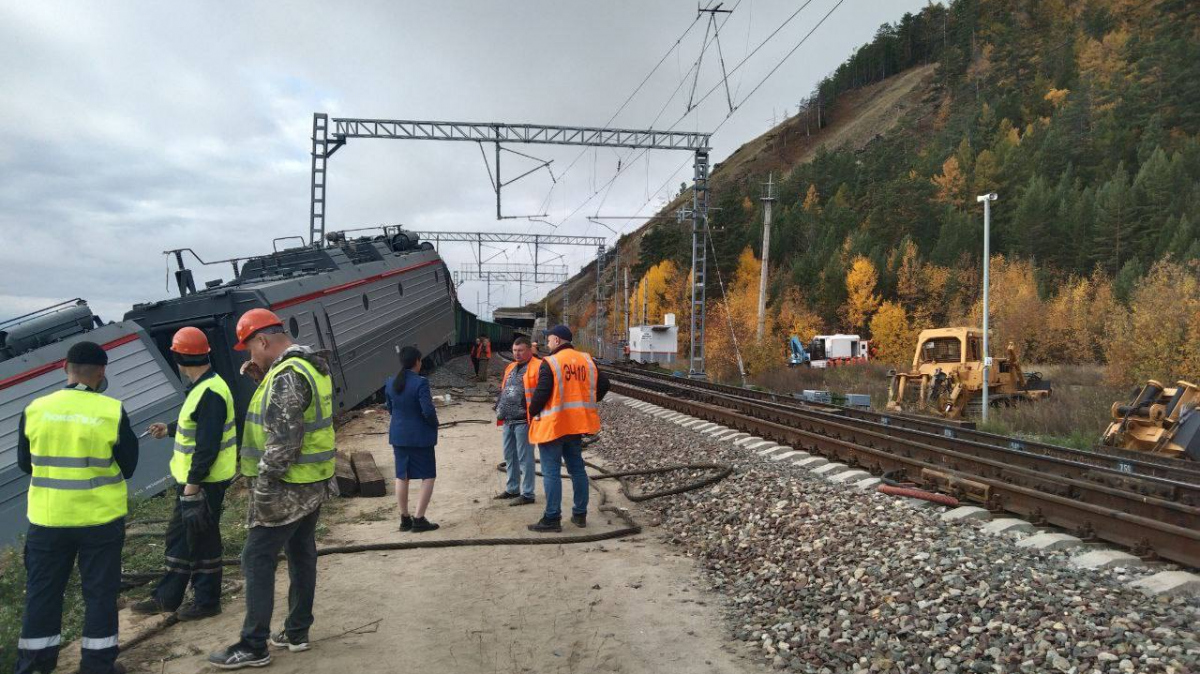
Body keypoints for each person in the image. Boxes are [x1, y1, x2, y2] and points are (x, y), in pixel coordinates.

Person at [208, 309, 337, 670]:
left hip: (286, 483)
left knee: (256, 557)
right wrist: (262, 376)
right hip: (312, 478)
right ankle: (296, 632)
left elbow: (283, 438)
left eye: (250, 349)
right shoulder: (307, 366)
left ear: (263, 341)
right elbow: (299, 413)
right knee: (300, 551)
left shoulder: (288, 375)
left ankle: (253, 644)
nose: (249, 356)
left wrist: (264, 484)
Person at [15, 341, 139, 674]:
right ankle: (98, 667)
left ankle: (34, 667)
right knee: (99, 595)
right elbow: (128, 466)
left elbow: (26, 464)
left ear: (64, 367)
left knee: (42, 596)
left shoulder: (34, 409)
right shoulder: (111, 410)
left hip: (47, 521)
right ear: (102, 372)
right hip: (99, 521)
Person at [132, 327, 237, 622]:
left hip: (203, 482)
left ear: (178, 357)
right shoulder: (205, 387)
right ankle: (168, 597)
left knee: (200, 541)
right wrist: (169, 429)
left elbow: (207, 445)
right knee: (182, 538)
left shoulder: (210, 392)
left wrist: (192, 486)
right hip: (197, 481)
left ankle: (204, 601)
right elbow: (197, 426)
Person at [525, 325, 609, 533]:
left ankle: (552, 517)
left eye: (549, 339)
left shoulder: (551, 362)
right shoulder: (587, 360)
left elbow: (542, 392)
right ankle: (580, 514)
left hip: (554, 425)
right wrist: (589, 399)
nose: (547, 342)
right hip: (576, 425)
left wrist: (532, 411)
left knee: (551, 470)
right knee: (577, 469)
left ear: (557, 340)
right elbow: (605, 384)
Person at [384, 346, 440, 532]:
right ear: (417, 361)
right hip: (420, 437)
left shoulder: (391, 382)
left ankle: (404, 519)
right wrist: (434, 424)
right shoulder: (421, 383)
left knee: (402, 476)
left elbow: (390, 408)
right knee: (428, 475)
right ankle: (419, 518)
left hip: (398, 436)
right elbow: (428, 410)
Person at [492, 336, 538, 506]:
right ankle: (512, 489)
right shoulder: (511, 367)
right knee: (510, 456)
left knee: (525, 458)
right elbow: (504, 390)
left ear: (529, 350)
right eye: (514, 351)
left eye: (520, 350)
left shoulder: (538, 366)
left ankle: (528, 493)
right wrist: (499, 408)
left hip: (524, 421)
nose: (517, 354)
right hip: (508, 420)